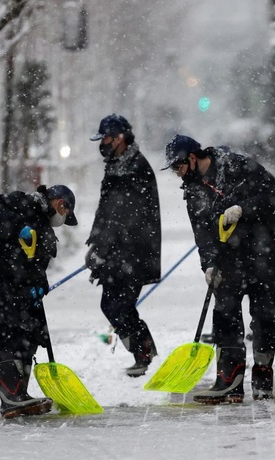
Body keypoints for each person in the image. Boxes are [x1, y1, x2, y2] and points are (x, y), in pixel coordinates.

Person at [162, 134, 275, 403]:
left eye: (179, 166)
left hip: (263, 254)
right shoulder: (193, 190)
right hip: (228, 262)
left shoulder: (236, 166)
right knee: (225, 318)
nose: (178, 173)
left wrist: (243, 209)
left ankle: (262, 376)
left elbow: (272, 196)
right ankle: (229, 381)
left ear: (192, 157)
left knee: (264, 317)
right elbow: (201, 233)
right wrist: (208, 265)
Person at [0, 184, 78, 419]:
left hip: (20, 290)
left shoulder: (44, 226)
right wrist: (18, 227)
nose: (62, 220)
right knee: (10, 334)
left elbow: (35, 263)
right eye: (65, 215)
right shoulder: (23, 202)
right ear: (61, 204)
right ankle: (11, 397)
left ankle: (20, 394)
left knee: (31, 335)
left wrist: (40, 285)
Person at [87, 114, 162, 377]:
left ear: (119, 137)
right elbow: (106, 209)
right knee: (111, 305)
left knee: (119, 305)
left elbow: (126, 216)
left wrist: (105, 248)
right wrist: (95, 243)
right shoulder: (117, 164)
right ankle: (142, 351)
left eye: (106, 138)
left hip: (133, 252)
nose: (103, 144)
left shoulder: (135, 168)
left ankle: (143, 354)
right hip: (117, 251)